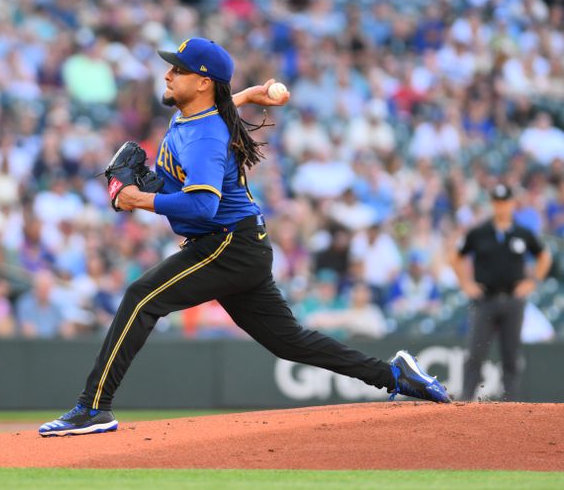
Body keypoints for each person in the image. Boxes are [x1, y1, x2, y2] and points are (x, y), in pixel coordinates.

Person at [39, 37, 450, 438]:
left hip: (228, 244)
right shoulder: (193, 116)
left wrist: (138, 198)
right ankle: (395, 375)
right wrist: (251, 92)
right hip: (239, 244)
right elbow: (220, 109)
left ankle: (93, 407)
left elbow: (202, 206)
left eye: (177, 69)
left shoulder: (204, 138)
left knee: (141, 297)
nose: (167, 74)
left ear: (202, 82)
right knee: (290, 342)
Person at [452, 183, 552, 401]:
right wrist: (466, 283)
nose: (501, 207)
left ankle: (512, 404)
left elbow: (544, 257)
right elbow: (457, 256)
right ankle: (465, 402)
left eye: (504, 202)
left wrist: (533, 281)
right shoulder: (479, 233)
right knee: (475, 353)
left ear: (512, 203)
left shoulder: (523, 233)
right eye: (497, 202)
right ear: (492, 204)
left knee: (511, 355)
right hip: (485, 299)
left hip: (513, 300)